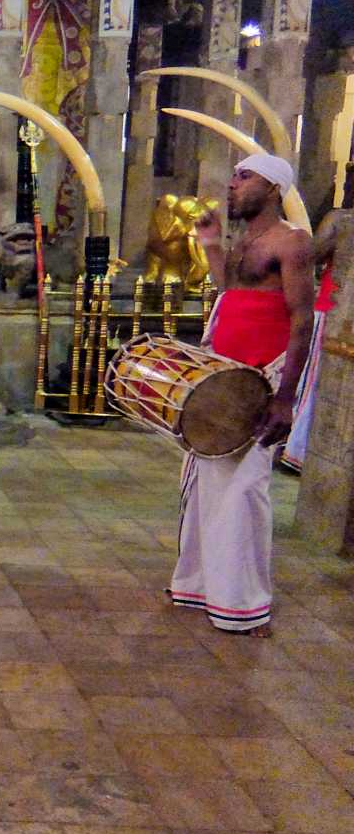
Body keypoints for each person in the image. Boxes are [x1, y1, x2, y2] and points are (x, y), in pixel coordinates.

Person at [168, 153, 315, 637]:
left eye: (244, 176)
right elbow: (229, 289)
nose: (232, 184)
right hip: (225, 374)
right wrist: (210, 244)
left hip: (262, 379)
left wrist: (285, 398)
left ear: (273, 188)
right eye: (232, 174)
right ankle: (200, 587)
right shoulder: (244, 239)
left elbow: (301, 319)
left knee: (245, 492)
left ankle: (248, 605)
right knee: (209, 485)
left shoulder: (293, 241)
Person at [280, 205, 343, 471]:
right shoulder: (340, 218)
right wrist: (339, 237)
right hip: (331, 310)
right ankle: (296, 449)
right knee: (313, 384)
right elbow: (312, 255)